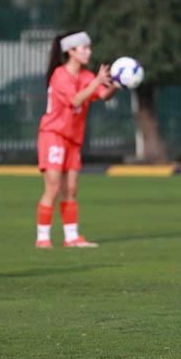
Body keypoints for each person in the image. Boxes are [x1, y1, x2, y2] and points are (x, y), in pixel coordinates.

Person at [35, 30, 117, 249]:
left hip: (73, 138)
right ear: (70, 51)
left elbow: (103, 94)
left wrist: (118, 83)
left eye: (89, 48)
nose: (88, 52)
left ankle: (71, 237)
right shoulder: (60, 75)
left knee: (71, 189)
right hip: (53, 135)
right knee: (52, 188)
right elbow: (75, 100)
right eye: (84, 48)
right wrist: (97, 81)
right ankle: (42, 238)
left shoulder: (88, 76)